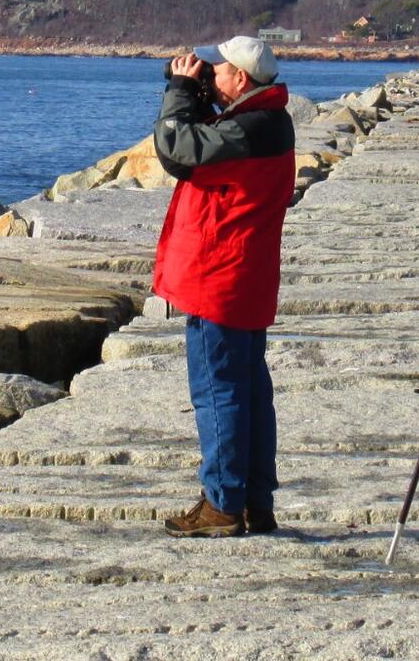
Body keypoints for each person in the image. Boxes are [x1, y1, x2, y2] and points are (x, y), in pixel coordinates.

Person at [152, 35, 296, 537]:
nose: (210, 74)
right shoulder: (267, 121)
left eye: (219, 70)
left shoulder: (247, 129)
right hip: (246, 275)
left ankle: (222, 503)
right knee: (251, 392)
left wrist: (177, 91)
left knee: (219, 392)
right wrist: (196, 94)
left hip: (220, 277)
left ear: (240, 78)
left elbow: (176, 150)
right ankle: (254, 501)